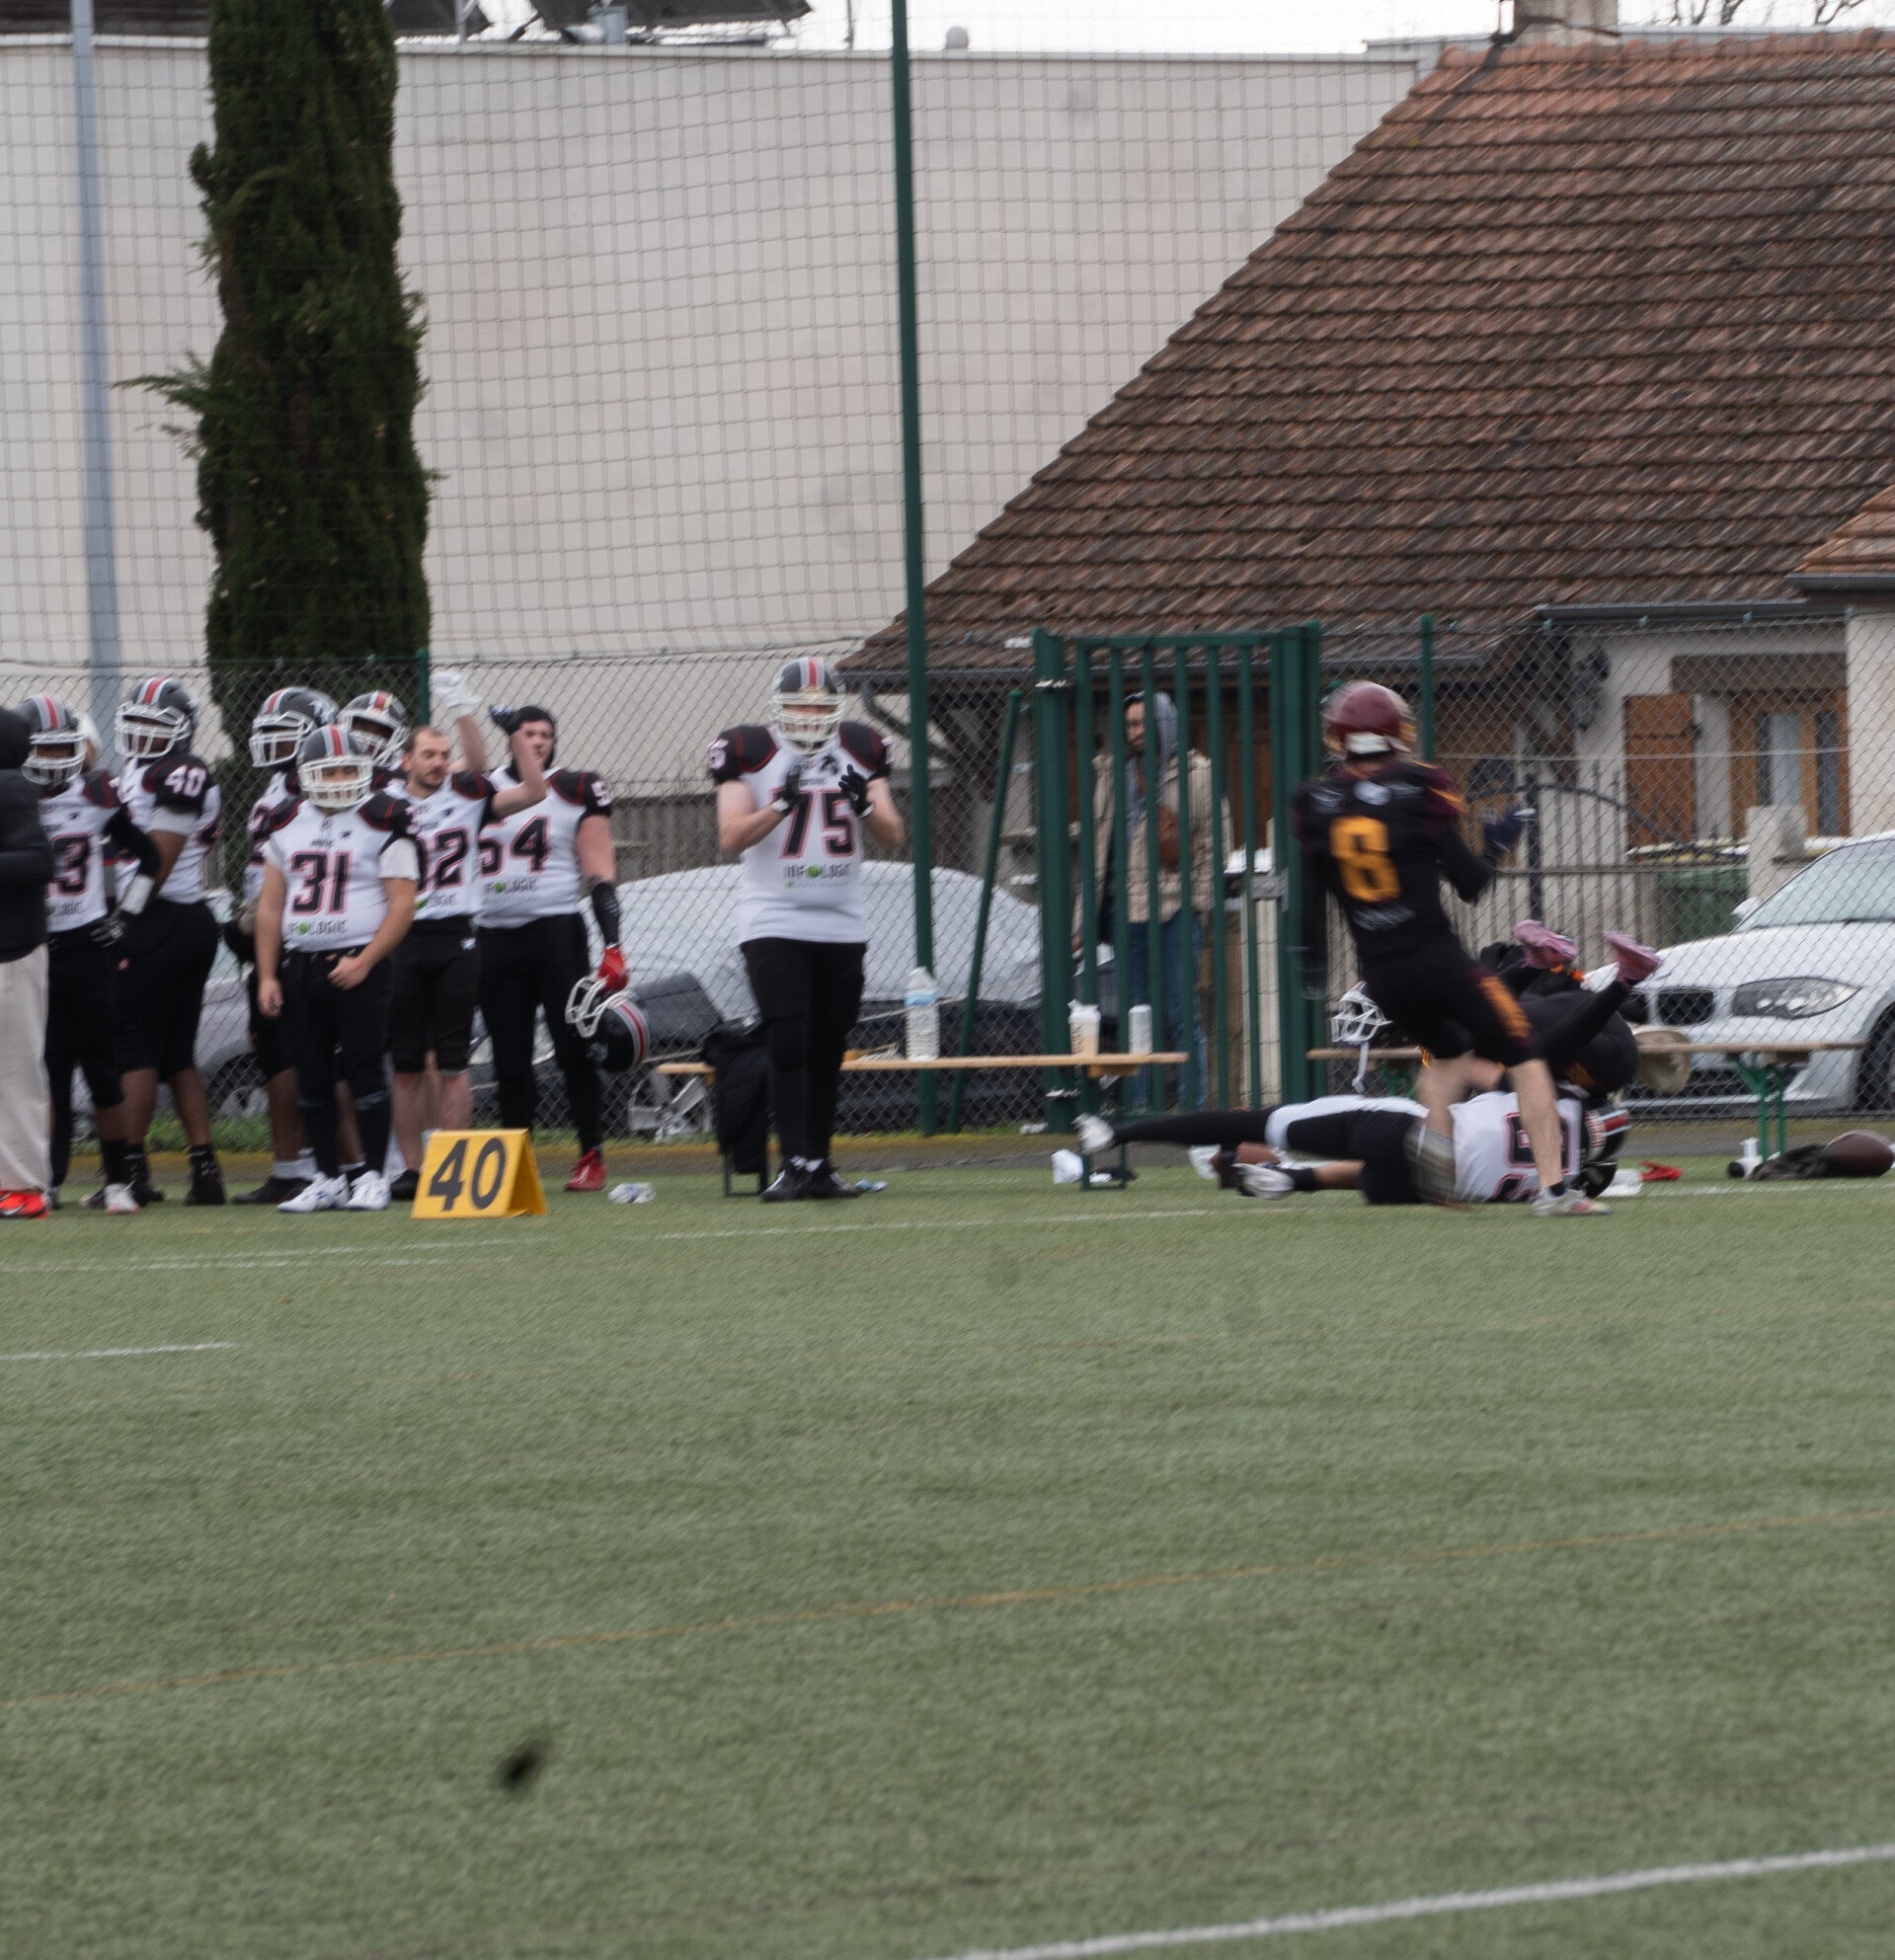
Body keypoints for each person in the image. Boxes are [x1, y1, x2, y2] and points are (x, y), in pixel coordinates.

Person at [1291, 680, 1597, 1215]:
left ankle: (1437, 1157)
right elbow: (1470, 884)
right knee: (1527, 1057)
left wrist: (1311, 957)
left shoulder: (1316, 802)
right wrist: (1496, 846)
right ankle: (1554, 1191)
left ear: (1339, 738)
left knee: (1450, 1054)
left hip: (1382, 975)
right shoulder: (1419, 788)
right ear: (1395, 733)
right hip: (1440, 962)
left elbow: (1310, 899)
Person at [711, 657, 903, 1202]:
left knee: (828, 1046)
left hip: (842, 921)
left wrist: (864, 805)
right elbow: (730, 836)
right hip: (774, 916)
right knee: (788, 1038)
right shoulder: (750, 750)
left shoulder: (862, 747)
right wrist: (779, 804)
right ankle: (793, 1163)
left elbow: (893, 834)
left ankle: (819, 1164)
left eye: (820, 708)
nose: (809, 716)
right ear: (779, 708)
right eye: (799, 706)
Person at [387, 672, 546, 1201]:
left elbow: (532, 789)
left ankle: (451, 1168)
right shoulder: (385, 803)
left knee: (454, 1064)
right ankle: (410, 1169)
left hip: (456, 935)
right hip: (402, 937)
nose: (438, 762)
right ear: (405, 760)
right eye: (427, 755)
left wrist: (482, 719)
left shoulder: (466, 796)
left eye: (442, 754)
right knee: (407, 1067)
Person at [256, 726, 419, 1213]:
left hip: (359, 963)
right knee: (311, 1076)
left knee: (366, 1071)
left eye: (349, 769)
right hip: (301, 964)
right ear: (307, 775)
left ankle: (373, 1176)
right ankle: (326, 1177)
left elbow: (403, 904)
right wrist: (267, 974)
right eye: (330, 771)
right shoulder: (285, 819)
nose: (341, 779)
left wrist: (365, 961)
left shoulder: (384, 816)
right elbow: (270, 906)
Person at [20, 695, 161, 1213]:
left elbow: (148, 858)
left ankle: (118, 1179)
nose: (55, 759)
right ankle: (45, 1179)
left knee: (103, 1070)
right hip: (35, 950)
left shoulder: (98, 793)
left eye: (63, 747)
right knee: (46, 1074)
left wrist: (125, 918)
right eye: (45, 748)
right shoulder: (13, 797)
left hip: (87, 948)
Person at [475, 704, 620, 1192]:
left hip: (555, 932)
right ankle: (515, 1160)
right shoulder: (481, 788)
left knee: (573, 1048)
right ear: (511, 737)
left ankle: (591, 1154)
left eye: (545, 734)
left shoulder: (575, 788)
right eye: (528, 733)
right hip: (494, 934)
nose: (537, 741)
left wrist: (613, 943)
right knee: (509, 1058)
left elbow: (600, 874)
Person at [112, 675, 226, 1206]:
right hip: (180, 919)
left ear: (181, 731)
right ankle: (205, 1171)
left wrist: (123, 918)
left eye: (153, 724)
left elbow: (158, 859)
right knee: (177, 1055)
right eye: (135, 722)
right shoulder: (139, 770)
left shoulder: (181, 770)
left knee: (137, 1050)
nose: (141, 733)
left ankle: (130, 1171)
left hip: (161, 916)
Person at [229, 684, 340, 1206]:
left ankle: (353, 1165)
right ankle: (289, 1168)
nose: (274, 745)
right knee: (276, 1056)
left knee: (339, 1059)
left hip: (321, 936)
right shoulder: (273, 793)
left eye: (285, 734)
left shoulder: (335, 788)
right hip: (276, 932)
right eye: (268, 734)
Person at [1090, 691, 1222, 1103]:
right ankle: (1140, 1108)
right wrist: (1084, 918)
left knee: (1182, 1015)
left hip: (1174, 908)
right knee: (1135, 1017)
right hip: (1124, 910)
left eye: (1145, 723)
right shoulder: (1112, 774)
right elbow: (1098, 848)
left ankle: (1193, 1110)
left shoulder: (1197, 774)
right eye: (1130, 724)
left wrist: (1198, 902)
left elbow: (1216, 843)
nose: (1136, 731)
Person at [0, 705, 55, 1218]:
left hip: (12, 953)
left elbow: (39, 860)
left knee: (15, 1072)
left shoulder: (10, 786)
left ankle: (23, 1186)